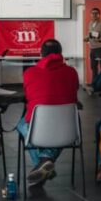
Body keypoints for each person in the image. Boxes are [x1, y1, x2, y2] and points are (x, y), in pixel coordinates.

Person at [17, 39, 78, 187]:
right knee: (59, 129)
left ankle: (44, 161)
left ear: (41, 54)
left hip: (38, 129)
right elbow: (74, 93)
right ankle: (45, 163)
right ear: (61, 53)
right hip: (67, 129)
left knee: (21, 124)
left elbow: (29, 96)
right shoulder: (71, 72)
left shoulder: (29, 73)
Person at [84, 8, 101, 84]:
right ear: (91, 14)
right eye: (93, 13)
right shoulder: (90, 23)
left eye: (96, 13)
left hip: (100, 49)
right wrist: (86, 38)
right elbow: (91, 34)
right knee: (93, 67)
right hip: (92, 48)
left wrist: (99, 40)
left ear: (99, 15)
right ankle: (94, 84)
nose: (94, 15)